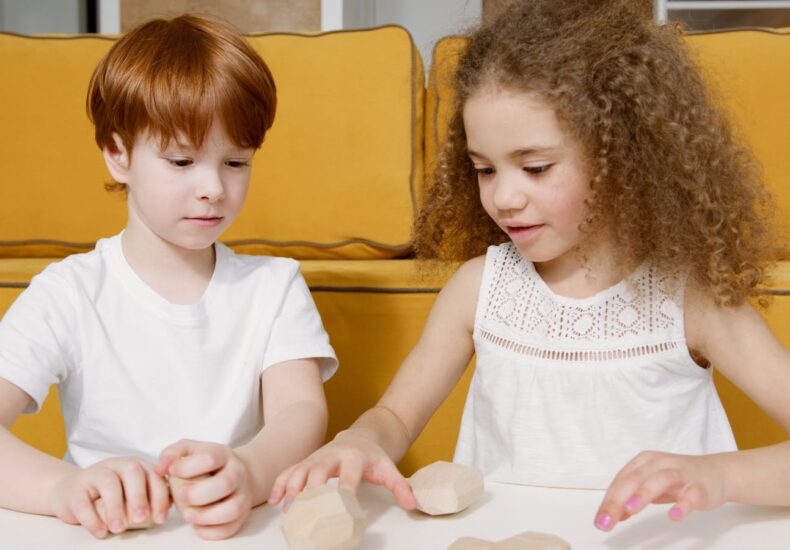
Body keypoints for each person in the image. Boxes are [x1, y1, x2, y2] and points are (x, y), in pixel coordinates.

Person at [268, 0, 790, 533]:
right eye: (485, 169)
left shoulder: (690, 299)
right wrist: (361, 438)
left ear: (625, 155)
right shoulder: (477, 291)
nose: (504, 197)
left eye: (535, 167)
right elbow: (396, 418)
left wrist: (721, 475)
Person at [0, 14, 336, 540]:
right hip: (103, 535)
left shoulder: (273, 286)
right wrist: (64, 488)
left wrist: (249, 472)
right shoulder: (69, 293)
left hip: (239, 534)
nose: (213, 188)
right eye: (182, 161)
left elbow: (301, 411)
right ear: (118, 155)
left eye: (236, 162)